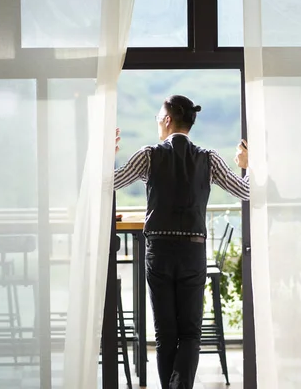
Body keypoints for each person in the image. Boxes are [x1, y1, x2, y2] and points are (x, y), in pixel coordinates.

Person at [113, 95, 249, 389]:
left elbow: (108, 182)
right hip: (193, 252)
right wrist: (245, 165)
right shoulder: (210, 158)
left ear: (166, 120)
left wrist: (104, 153)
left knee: (165, 335)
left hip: (159, 252)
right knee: (190, 334)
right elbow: (246, 191)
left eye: (157, 118)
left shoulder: (148, 155)